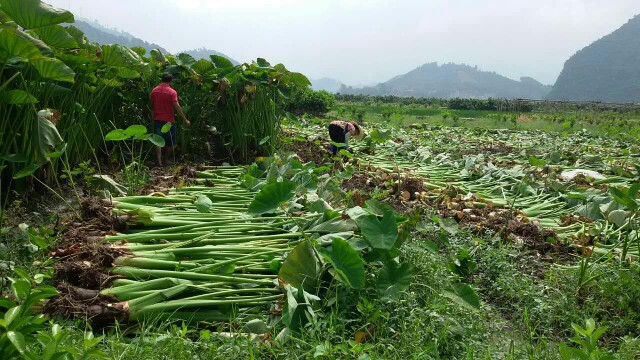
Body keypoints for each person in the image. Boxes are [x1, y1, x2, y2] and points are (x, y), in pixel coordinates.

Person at [149, 73, 190, 166]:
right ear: (171, 81)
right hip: (169, 121)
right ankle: (166, 160)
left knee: (157, 141)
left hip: (157, 120)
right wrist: (185, 119)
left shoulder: (154, 90)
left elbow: (151, 104)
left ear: (161, 79)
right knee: (171, 143)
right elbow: (177, 106)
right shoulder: (172, 92)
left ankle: (159, 162)